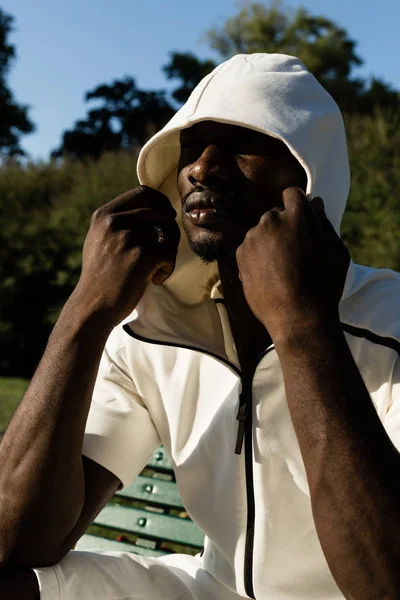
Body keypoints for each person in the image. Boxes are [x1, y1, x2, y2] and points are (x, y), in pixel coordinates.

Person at [1, 53, 400, 600]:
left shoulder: (390, 320)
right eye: (191, 145)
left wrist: (302, 326)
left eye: (243, 143)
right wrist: (87, 309)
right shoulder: (149, 332)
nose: (202, 167)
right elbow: (14, 540)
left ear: (311, 175)